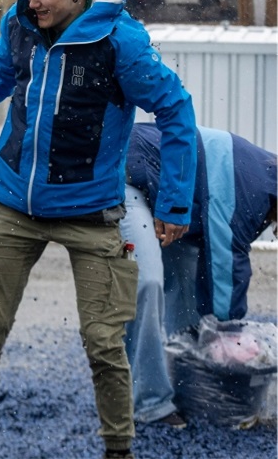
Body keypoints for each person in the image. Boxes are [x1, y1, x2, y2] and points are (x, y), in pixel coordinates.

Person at [0, 0, 198, 459]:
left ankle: (119, 449)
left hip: (92, 212)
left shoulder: (122, 43)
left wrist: (173, 202)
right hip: (16, 205)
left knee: (103, 343)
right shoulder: (20, 25)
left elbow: (177, 110)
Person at [121, 122, 278, 427]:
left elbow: (215, 252)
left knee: (188, 289)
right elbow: (224, 262)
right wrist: (229, 333)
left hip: (170, 202)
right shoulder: (255, 188)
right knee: (147, 282)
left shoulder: (267, 181)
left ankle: (188, 387)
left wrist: (212, 330)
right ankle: (148, 404)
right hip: (131, 178)